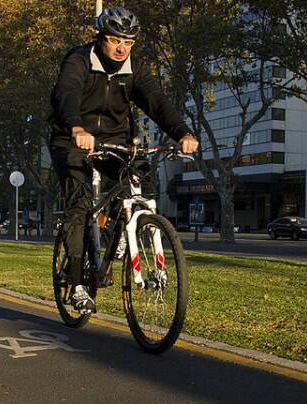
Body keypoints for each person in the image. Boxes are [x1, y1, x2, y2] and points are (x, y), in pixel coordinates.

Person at [49, 6, 199, 314]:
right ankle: (77, 283)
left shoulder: (134, 70)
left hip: (116, 140)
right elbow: (67, 94)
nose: (121, 48)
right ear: (101, 38)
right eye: (115, 40)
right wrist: (76, 127)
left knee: (139, 179)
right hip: (72, 136)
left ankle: (123, 230)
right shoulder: (78, 60)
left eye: (128, 42)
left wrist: (183, 133)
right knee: (79, 204)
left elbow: (157, 102)